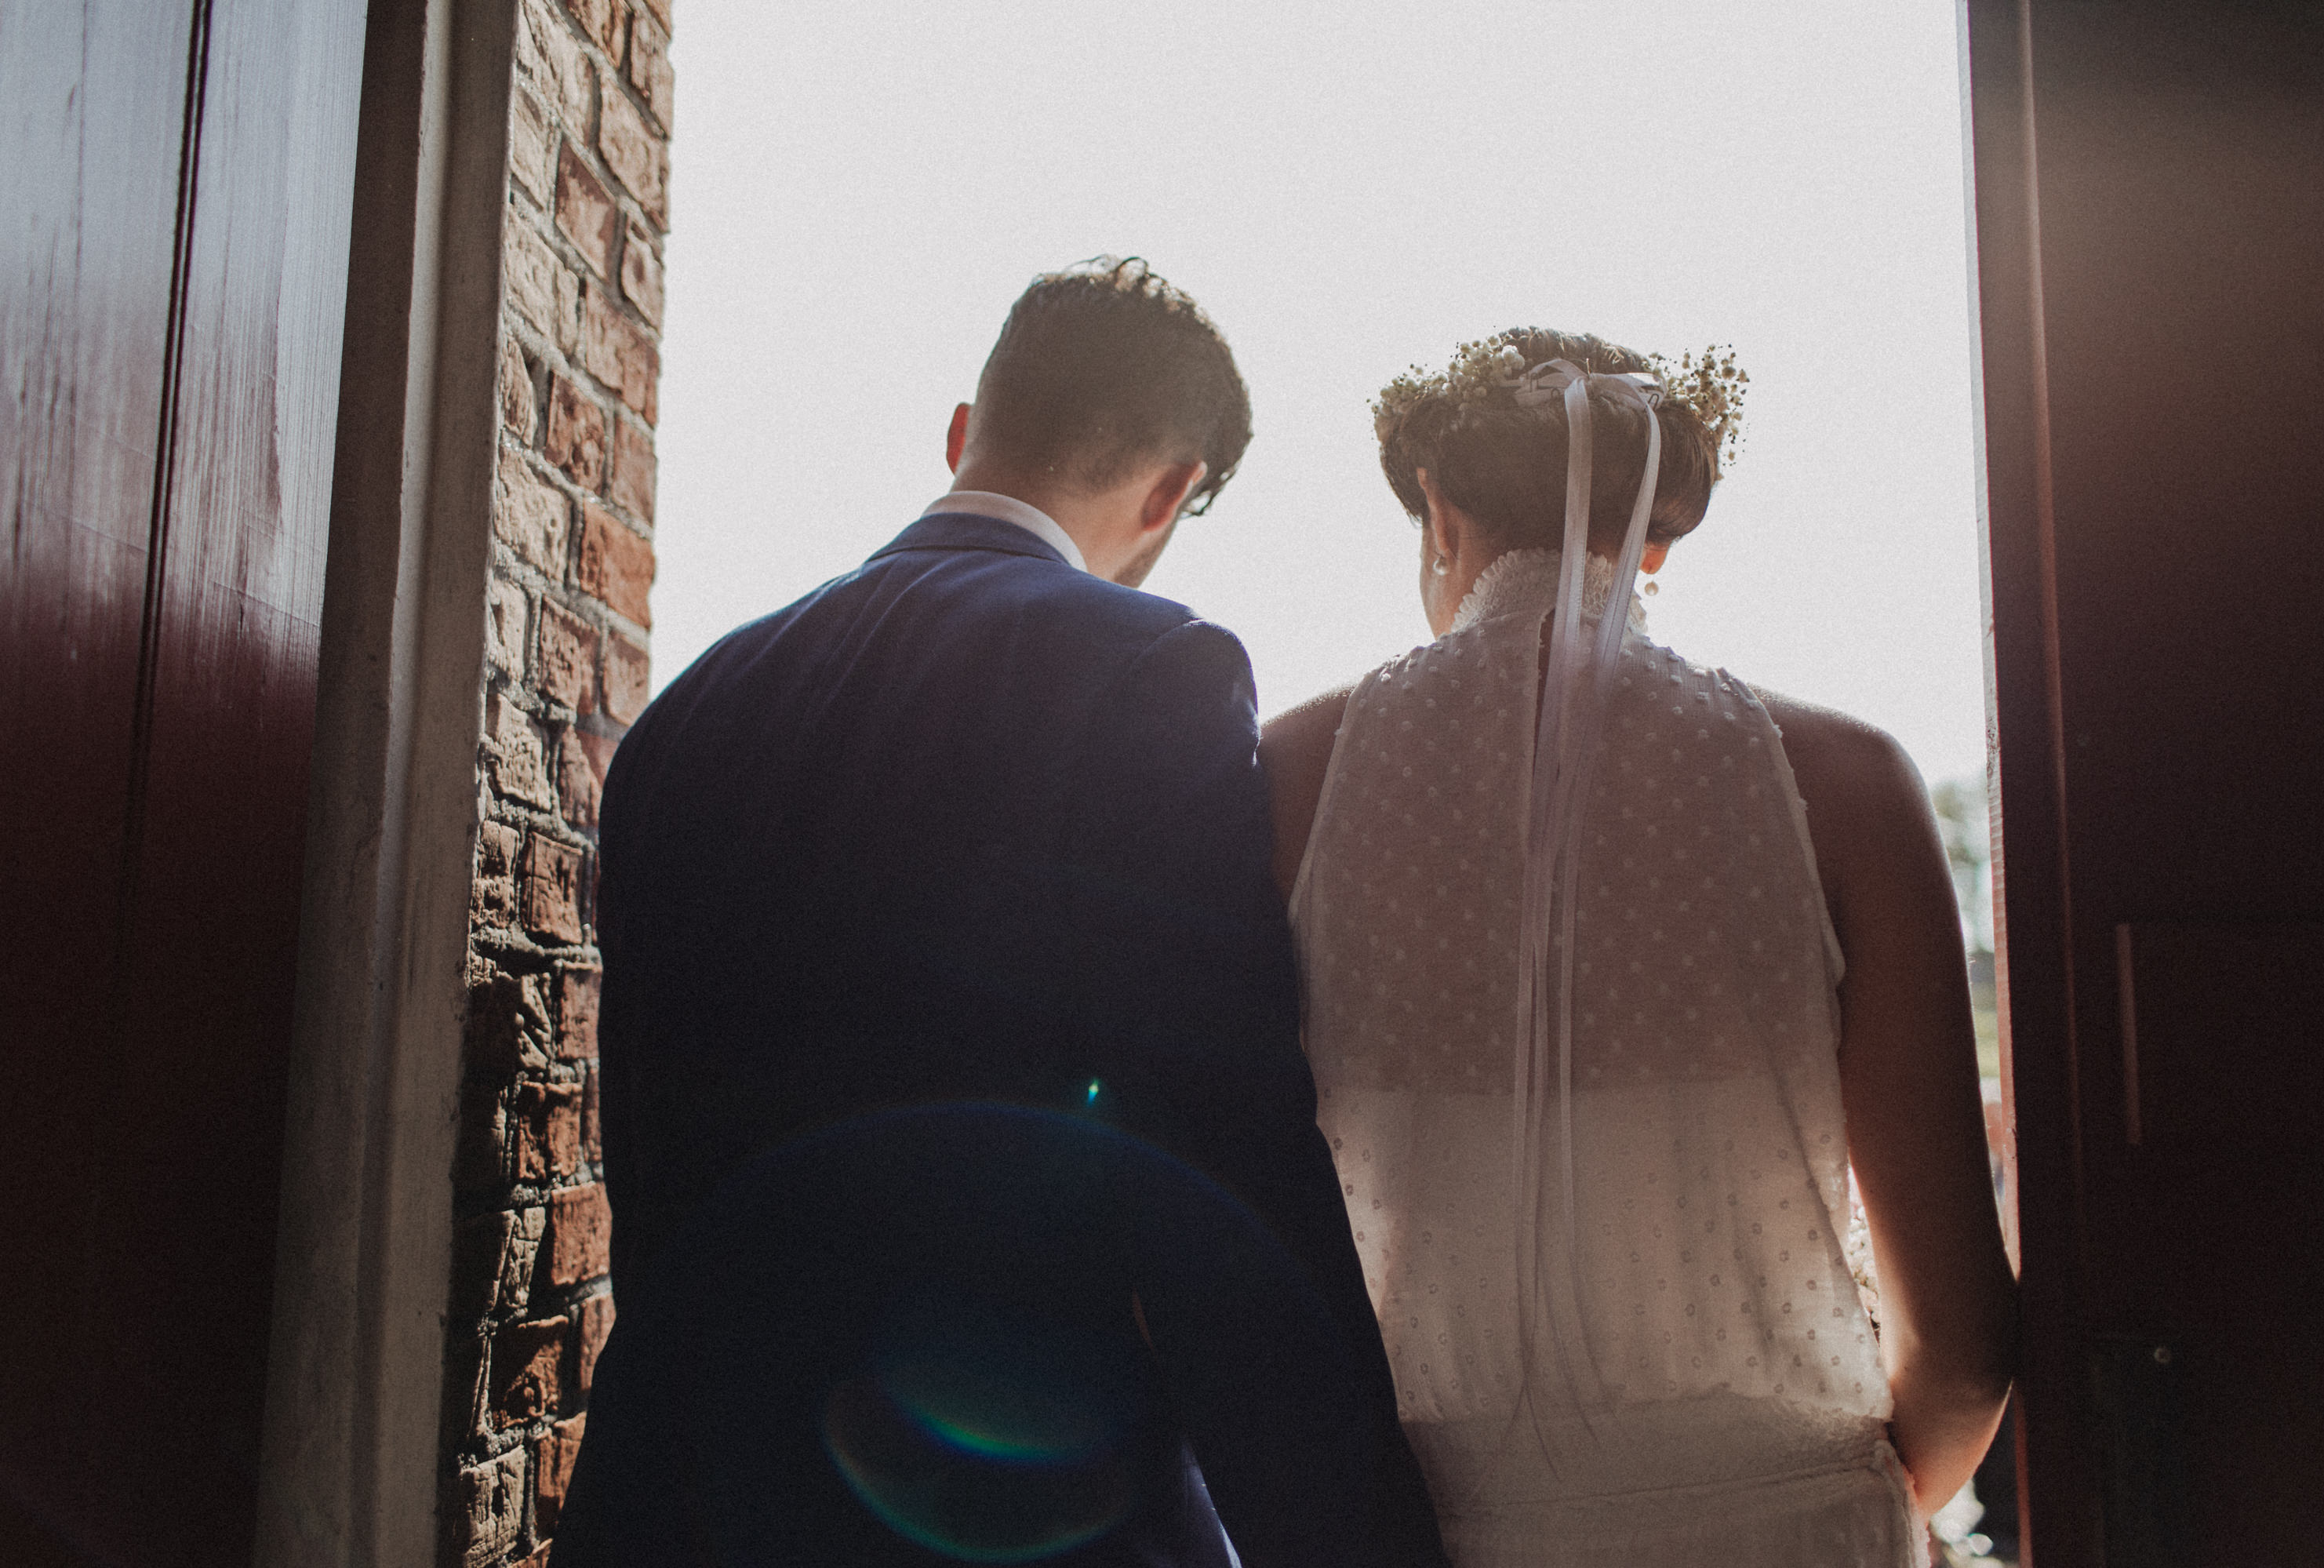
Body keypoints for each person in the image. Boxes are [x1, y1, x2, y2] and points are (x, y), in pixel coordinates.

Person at [552, 259, 1449, 1568]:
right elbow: (1219, 1152)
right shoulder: (1148, 672)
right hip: (1003, 1510)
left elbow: (641, 1151)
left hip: (672, 1501)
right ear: (1170, 494)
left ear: (965, 433)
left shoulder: (688, 710)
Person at [1261, 330, 2016, 1566]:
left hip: (1429, 1540)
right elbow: (1968, 1344)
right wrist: (1855, 1514)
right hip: (1789, 1530)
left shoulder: (1289, 781)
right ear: (1657, 538)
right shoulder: (1847, 784)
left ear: (1440, 514)